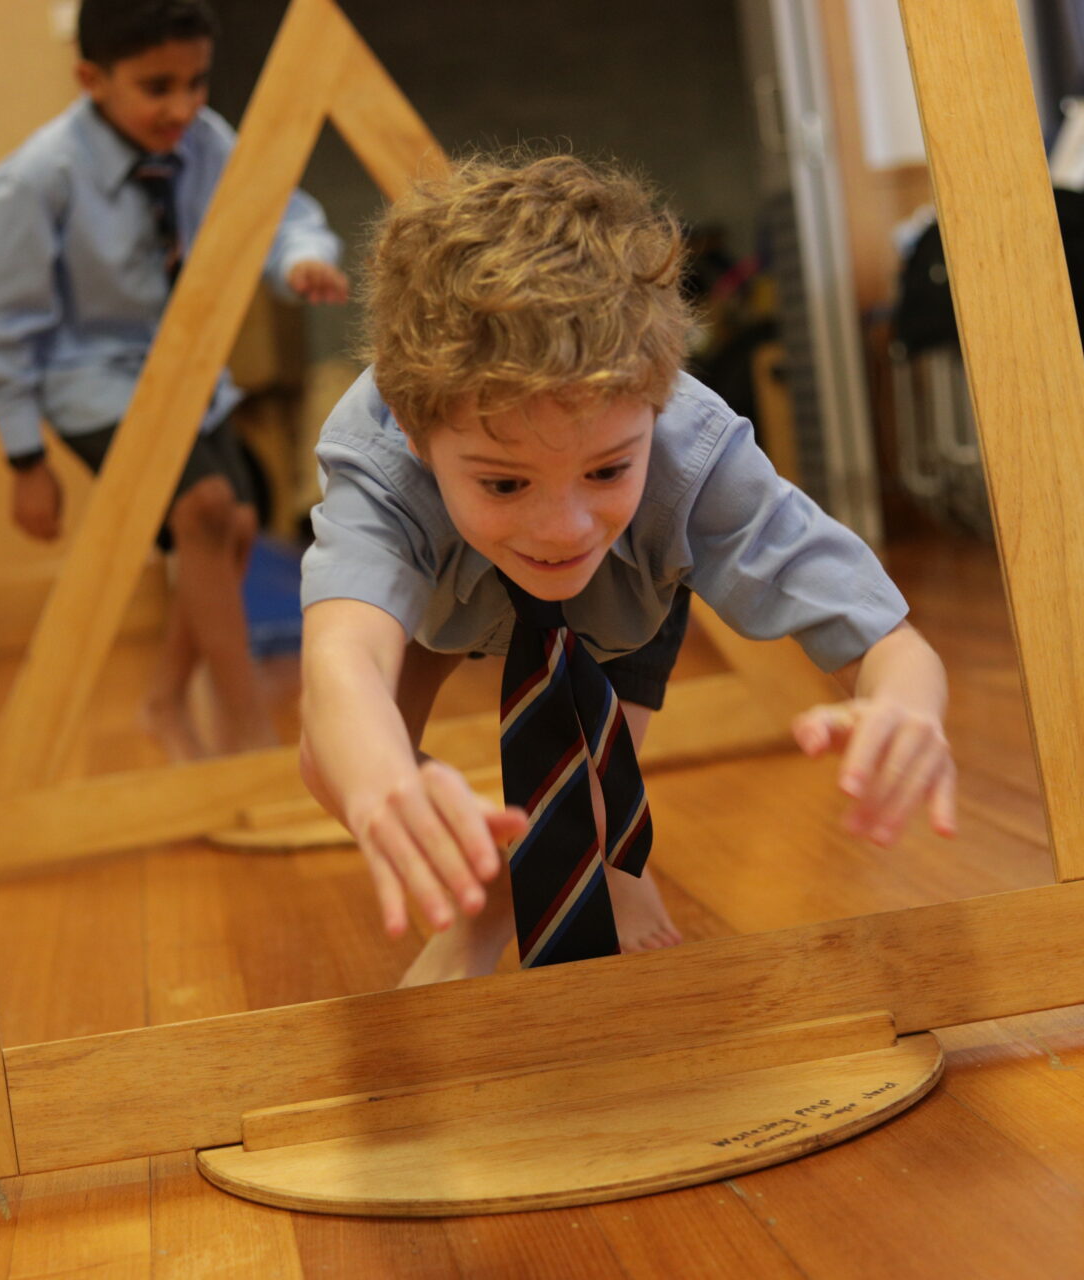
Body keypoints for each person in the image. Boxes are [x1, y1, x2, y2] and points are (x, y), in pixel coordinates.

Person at [296, 153, 956, 987]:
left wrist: (904, 706)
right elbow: (340, 661)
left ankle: (612, 862)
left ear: (656, 396)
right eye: (505, 480)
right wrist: (388, 784)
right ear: (414, 430)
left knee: (600, 763)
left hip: (624, 594)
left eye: (606, 468)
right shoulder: (382, 458)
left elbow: (890, 641)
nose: (562, 526)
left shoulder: (694, 457)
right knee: (337, 754)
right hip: (447, 589)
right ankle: (485, 904)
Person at [0, 0, 348, 760]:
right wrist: (24, 460)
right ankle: (244, 733)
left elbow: (277, 209)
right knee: (205, 509)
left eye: (198, 82)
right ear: (90, 79)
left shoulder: (202, 143)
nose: (183, 106)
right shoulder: (34, 182)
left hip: (187, 375)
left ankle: (164, 702)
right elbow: (3, 331)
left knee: (236, 527)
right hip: (89, 382)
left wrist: (298, 256)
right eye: (157, 87)